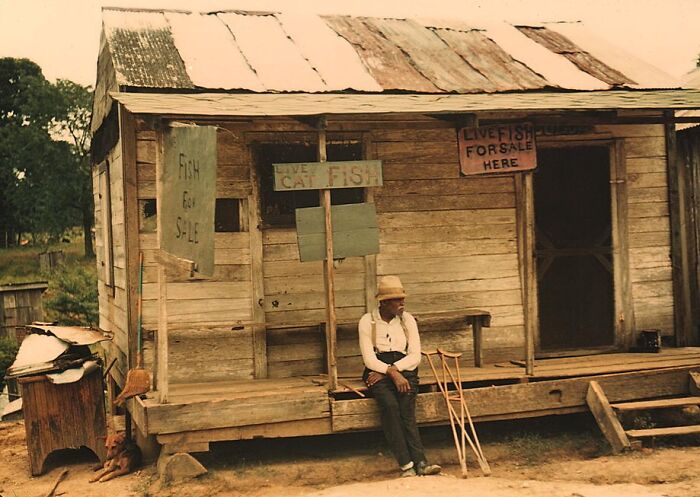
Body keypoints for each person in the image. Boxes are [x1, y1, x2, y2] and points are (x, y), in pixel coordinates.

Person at [358, 275, 442, 478]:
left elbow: (414, 356)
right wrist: (391, 373)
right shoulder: (367, 321)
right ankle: (406, 465)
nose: (402, 303)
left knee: (406, 410)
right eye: (397, 300)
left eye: (402, 298)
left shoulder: (407, 320)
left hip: (403, 370)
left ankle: (421, 462)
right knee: (390, 406)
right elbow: (369, 359)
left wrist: (393, 370)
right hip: (377, 369)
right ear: (384, 302)